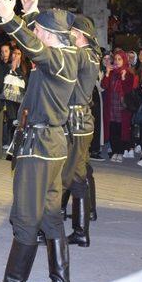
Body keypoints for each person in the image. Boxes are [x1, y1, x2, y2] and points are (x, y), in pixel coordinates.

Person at [0, 0, 78, 282]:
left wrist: (9, 19)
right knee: (50, 215)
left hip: (40, 147)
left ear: (50, 35)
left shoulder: (59, 59)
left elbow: (36, 47)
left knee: (26, 215)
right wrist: (30, 15)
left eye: (38, 29)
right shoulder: (64, 55)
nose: (34, 32)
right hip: (50, 146)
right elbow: (41, 41)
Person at [60, 13, 101, 249]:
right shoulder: (92, 55)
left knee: (67, 177)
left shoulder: (82, 54)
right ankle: (80, 231)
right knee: (79, 176)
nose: (68, 37)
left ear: (80, 35)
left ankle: (61, 229)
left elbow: (60, 57)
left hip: (75, 121)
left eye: (71, 34)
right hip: (82, 120)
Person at [101, 51, 138, 162]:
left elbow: (128, 90)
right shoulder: (111, 73)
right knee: (112, 129)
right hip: (111, 105)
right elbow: (104, 85)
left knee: (122, 130)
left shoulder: (129, 74)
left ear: (124, 60)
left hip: (122, 107)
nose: (117, 61)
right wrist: (107, 74)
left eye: (119, 59)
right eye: (116, 59)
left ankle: (120, 152)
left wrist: (123, 78)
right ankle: (114, 150)